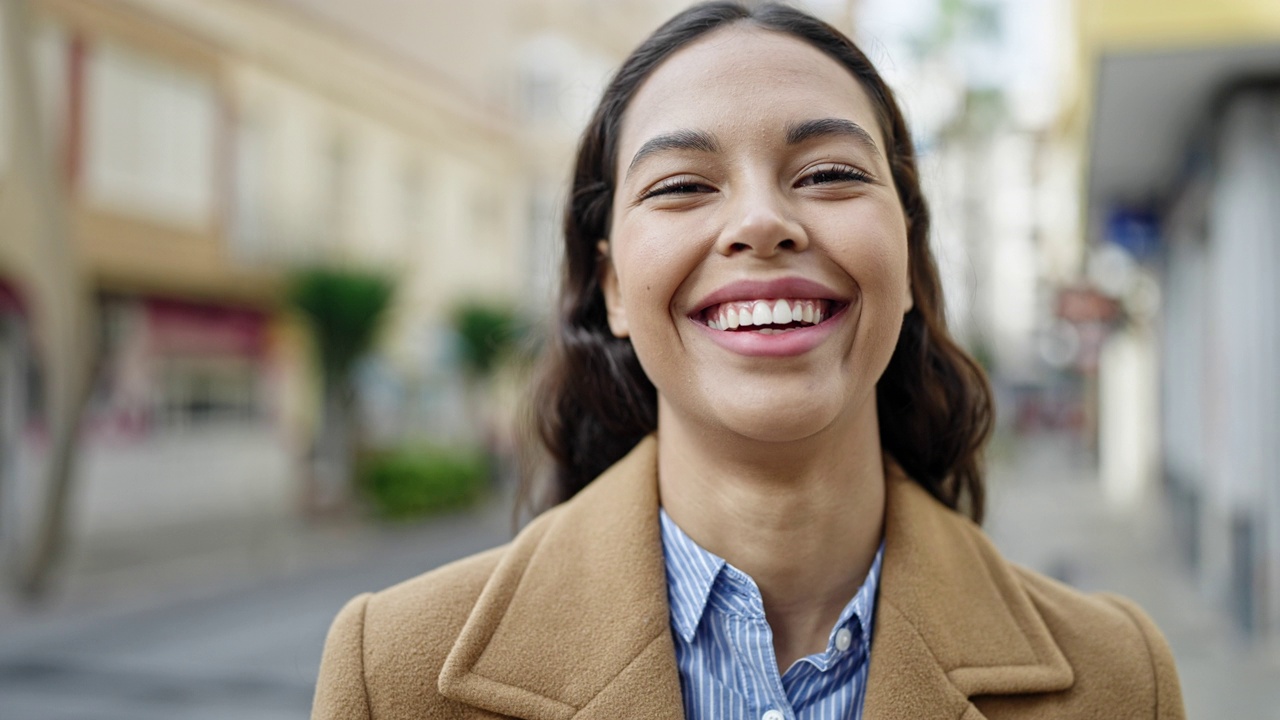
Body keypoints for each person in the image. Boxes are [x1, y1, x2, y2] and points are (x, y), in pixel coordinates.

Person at [312, 3, 1186, 719]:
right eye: (684, 184)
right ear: (614, 284)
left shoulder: (1118, 678)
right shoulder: (390, 676)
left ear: (911, 263)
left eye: (829, 173)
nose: (763, 221)